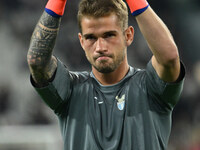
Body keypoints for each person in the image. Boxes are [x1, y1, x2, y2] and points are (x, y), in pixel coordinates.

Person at [27, 0, 185, 149]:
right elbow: (37, 61)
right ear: (81, 41)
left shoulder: (151, 88)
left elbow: (170, 58)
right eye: (91, 38)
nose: (100, 47)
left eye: (109, 35)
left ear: (128, 35)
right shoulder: (70, 90)